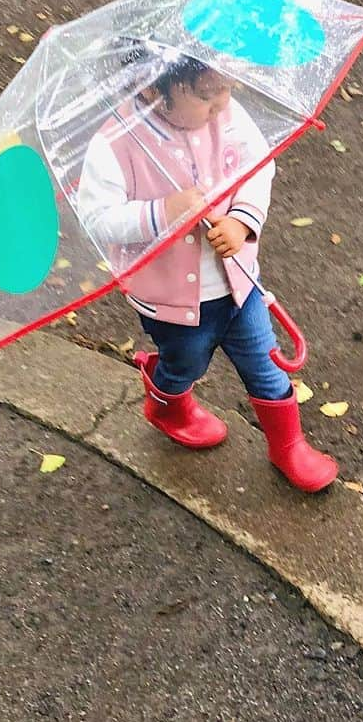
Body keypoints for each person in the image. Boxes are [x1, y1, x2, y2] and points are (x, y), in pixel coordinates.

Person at [77, 40, 337, 493]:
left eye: (227, 90)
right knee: (186, 362)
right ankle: (167, 403)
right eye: (204, 95)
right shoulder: (117, 143)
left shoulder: (229, 117)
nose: (220, 104)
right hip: (171, 300)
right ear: (151, 92)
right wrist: (163, 212)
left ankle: (288, 445)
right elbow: (98, 218)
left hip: (239, 284)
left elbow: (258, 168)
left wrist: (242, 220)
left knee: (266, 364)